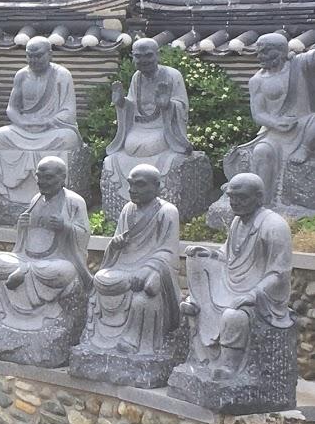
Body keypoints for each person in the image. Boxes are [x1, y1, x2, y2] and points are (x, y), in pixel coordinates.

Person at [181, 173, 293, 379]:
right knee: (195, 259)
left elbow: (280, 274)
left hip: (260, 295)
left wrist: (252, 295)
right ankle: (201, 354)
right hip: (232, 284)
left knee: (234, 316)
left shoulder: (274, 226)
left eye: (242, 197)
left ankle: (229, 365)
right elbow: (228, 256)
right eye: (232, 197)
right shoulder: (237, 222)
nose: (235, 202)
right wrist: (210, 254)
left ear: (259, 197)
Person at [0, 156, 91, 331]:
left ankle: (25, 272)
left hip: (54, 261)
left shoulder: (74, 201)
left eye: (48, 177)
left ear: (62, 178)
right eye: (39, 177)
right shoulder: (36, 199)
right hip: (27, 257)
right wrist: (22, 226)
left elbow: (84, 233)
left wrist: (65, 226)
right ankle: (25, 270)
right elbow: (23, 239)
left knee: (65, 271)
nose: (42, 182)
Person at [84, 164, 181, 354]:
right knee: (100, 279)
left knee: (143, 298)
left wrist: (147, 269)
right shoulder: (128, 209)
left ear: (157, 186)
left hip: (149, 269)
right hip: (125, 267)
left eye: (140, 185)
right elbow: (117, 244)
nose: (133, 190)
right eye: (130, 184)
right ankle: (98, 338)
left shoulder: (167, 211)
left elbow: (168, 251)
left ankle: (133, 339)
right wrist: (116, 244)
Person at [224, 32, 315, 206]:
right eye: (259, 52)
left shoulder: (300, 64)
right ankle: (263, 201)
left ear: (281, 51)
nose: (260, 56)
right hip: (275, 133)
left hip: (306, 125)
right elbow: (258, 114)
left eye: (265, 52)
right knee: (261, 152)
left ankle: (304, 149)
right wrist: (276, 123)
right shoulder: (257, 80)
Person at [0, 36, 81, 206]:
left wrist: (48, 122)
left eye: (38, 56)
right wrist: (22, 123)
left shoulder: (62, 75)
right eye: (29, 56)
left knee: (68, 138)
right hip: (25, 129)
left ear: (50, 54)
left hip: (52, 129)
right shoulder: (22, 75)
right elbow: (12, 108)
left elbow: (69, 111)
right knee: (0, 136)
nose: (33, 60)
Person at [103, 38, 192, 199]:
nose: (143, 60)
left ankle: (148, 187)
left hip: (162, 128)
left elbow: (182, 106)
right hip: (140, 128)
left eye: (148, 55)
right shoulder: (136, 77)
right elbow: (132, 104)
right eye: (138, 56)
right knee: (130, 146)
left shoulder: (172, 75)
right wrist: (121, 102)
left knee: (148, 146)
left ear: (158, 55)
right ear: (133, 57)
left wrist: (168, 105)